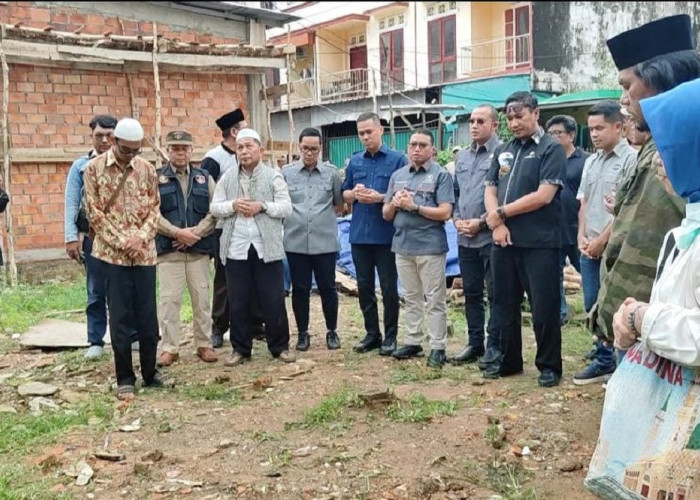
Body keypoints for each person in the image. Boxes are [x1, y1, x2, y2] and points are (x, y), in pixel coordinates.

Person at [588, 14, 698, 363]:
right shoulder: (657, 148)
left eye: (626, 86)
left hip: (658, 334)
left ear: (657, 81)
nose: (623, 100)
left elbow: (642, 248)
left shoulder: (674, 154)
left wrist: (626, 318)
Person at [84, 118, 172, 401]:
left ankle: (150, 373)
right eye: (126, 150)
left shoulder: (146, 169)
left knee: (148, 317)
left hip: (144, 255)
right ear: (114, 142)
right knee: (120, 317)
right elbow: (95, 213)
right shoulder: (93, 169)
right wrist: (124, 242)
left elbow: (155, 209)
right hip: (112, 256)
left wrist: (141, 239)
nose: (131, 155)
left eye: (136, 150)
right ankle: (125, 377)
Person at [483, 91, 567, 387]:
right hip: (504, 241)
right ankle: (509, 361)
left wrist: (501, 214)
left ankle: (549, 366)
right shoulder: (503, 150)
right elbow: (490, 188)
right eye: (509, 117)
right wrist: (496, 224)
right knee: (503, 303)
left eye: (520, 116)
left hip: (540, 242)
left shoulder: (550, 149)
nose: (514, 122)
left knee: (543, 307)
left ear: (535, 113)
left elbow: (544, 195)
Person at [210, 128, 295, 366]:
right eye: (240, 147)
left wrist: (263, 206)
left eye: (249, 146)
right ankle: (240, 349)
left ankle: (280, 347)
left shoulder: (273, 176)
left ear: (261, 150)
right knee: (238, 300)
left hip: (266, 247)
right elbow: (215, 208)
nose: (244, 152)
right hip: (236, 246)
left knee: (273, 298)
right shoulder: (227, 177)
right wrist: (233, 205)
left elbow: (286, 207)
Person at [573, 101, 637, 384]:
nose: (595, 134)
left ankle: (610, 361)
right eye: (591, 129)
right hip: (590, 245)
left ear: (619, 127)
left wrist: (601, 240)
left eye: (600, 128)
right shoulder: (591, 161)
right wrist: (582, 236)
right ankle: (603, 353)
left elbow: (628, 210)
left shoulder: (631, 160)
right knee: (591, 302)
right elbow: (584, 202)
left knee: (613, 305)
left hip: (615, 247)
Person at [64, 115, 138, 359]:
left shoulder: (131, 163)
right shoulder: (81, 167)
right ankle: (95, 339)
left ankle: (133, 335)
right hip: (94, 238)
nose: (104, 140)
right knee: (96, 290)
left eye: (109, 136)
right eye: (99, 135)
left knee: (128, 288)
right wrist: (70, 237)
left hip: (125, 240)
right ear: (92, 136)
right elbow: (72, 203)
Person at [382, 129, 454, 368]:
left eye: (423, 145)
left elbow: (445, 212)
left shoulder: (440, 175)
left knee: (435, 299)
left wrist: (414, 207)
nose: (417, 149)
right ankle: (413, 340)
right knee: (411, 297)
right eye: (413, 144)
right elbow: (386, 214)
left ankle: (437, 346)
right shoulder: (398, 175)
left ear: (432, 150)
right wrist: (394, 202)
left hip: (430, 246)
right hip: (402, 245)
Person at [341, 112, 406, 356]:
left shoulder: (397, 160)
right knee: (365, 287)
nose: (365, 137)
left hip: (386, 234)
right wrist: (354, 194)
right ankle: (372, 333)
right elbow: (344, 194)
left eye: (369, 131)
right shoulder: (355, 161)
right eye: (361, 133)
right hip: (359, 234)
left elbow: (403, 194)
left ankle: (390, 335)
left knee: (389, 287)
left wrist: (380, 197)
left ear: (380, 130)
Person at [155, 131, 218, 367]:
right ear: (168, 150)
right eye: (175, 148)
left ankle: (204, 344)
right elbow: (151, 213)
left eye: (184, 148)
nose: (180, 153)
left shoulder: (204, 178)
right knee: (169, 302)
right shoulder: (156, 178)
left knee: (202, 300)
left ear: (192, 151)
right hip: (169, 252)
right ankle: (170, 348)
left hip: (198, 252)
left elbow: (215, 212)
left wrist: (194, 234)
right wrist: (176, 233)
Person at [282, 128, 344, 351]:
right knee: (300, 289)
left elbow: (338, 204)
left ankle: (332, 331)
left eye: (314, 149)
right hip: (296, 242)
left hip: (324, 242)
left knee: (328, 288)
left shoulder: (331, 173)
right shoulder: (286, 174)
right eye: (305, 148)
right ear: (299, 147)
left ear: (320, 149)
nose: (309, 153)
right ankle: (302, 333)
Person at [450, 105, 502, 367]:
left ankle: (495, 345)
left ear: (494, 125)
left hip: (491, 237)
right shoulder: (462, 158)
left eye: (480, 121)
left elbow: (504, 196)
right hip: (464, 238)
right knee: (471, 293)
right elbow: (456, 194)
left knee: (496, 294)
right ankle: (474, 343)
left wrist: (480, 223)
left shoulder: (503, 154)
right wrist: (457, 219)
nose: (474, 125)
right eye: (471, 121)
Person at [200, 108, 248, 348]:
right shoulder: (214, 158)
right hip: (224, 225)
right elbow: (203, 195)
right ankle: (219, 326)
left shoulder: (248, 152)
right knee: (224, 278)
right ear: (234, 131)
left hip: (250, 225)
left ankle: (254, 324)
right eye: (244, 126)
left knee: (252, 273)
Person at [545, 114, 589, 326]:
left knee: (587, 271)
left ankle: (593, 311)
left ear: (571, 135)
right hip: (552, 227)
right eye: (550, 133)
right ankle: (560, 313)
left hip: (578, 227)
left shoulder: (585, 161)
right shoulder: (547, 160)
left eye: (558, 133)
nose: (553, 137)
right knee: (554, 274)